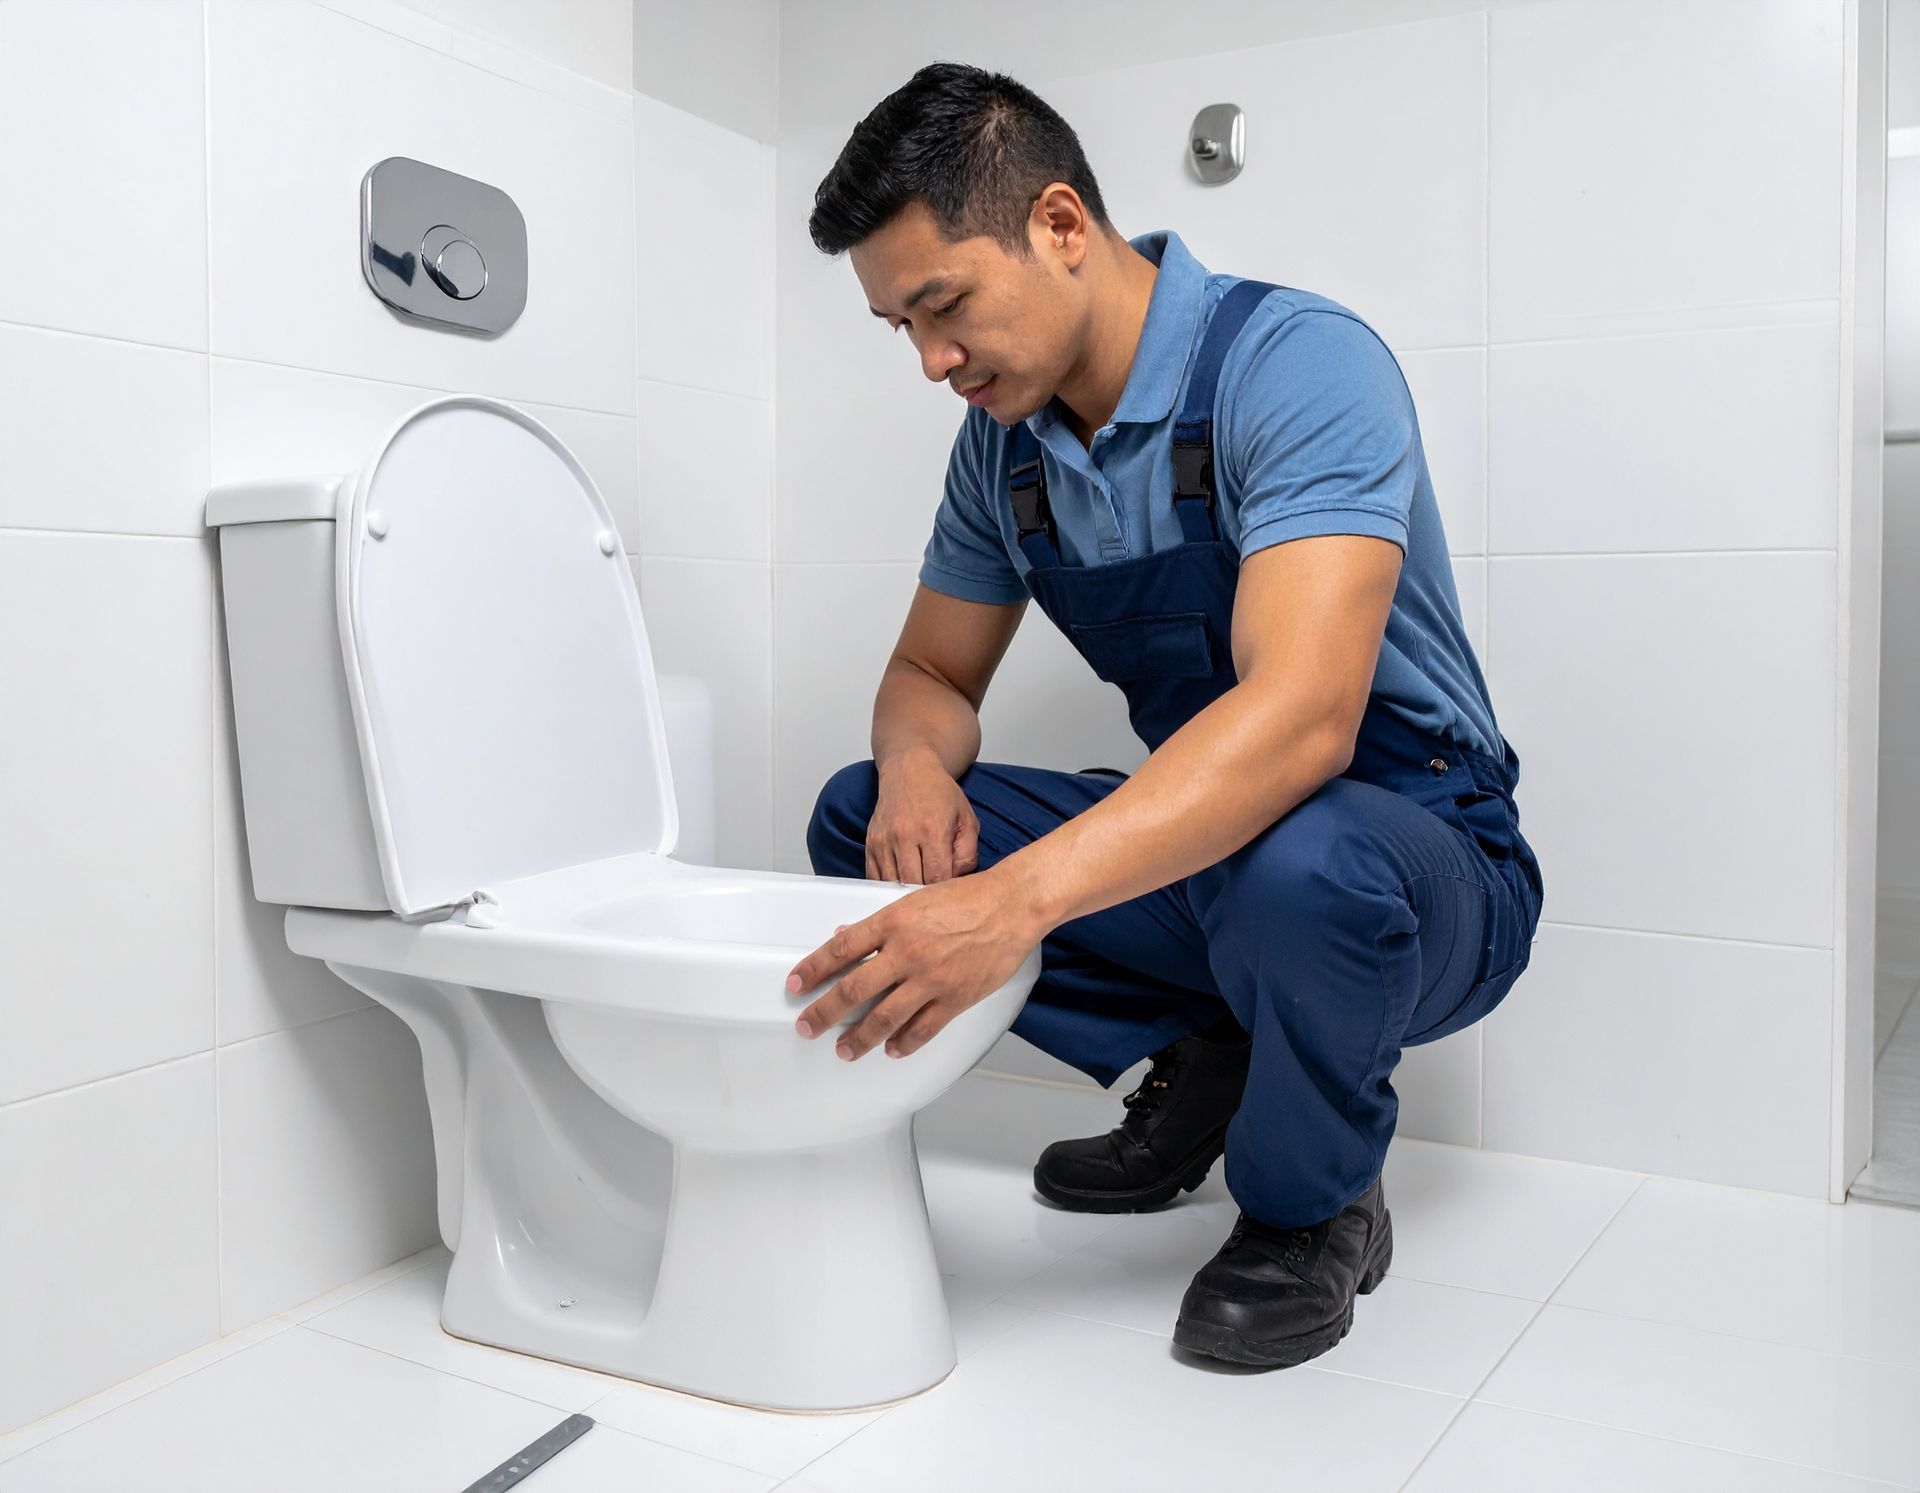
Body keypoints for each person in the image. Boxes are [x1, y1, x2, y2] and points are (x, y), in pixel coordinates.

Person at [781, 61, 1544, 1370]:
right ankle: (1219, 1048)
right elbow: (930, 678)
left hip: (1422, 847)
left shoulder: (1297, 365)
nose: (931, 362)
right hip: (1222, 851)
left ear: (1061, 227)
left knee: (1305, 863)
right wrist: (914, 767)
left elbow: (1304, 719)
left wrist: (1012, 904)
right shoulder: (1002, 449)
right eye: (899, 328)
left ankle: (1313, 1207)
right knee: (861, 819)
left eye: (944, 306)